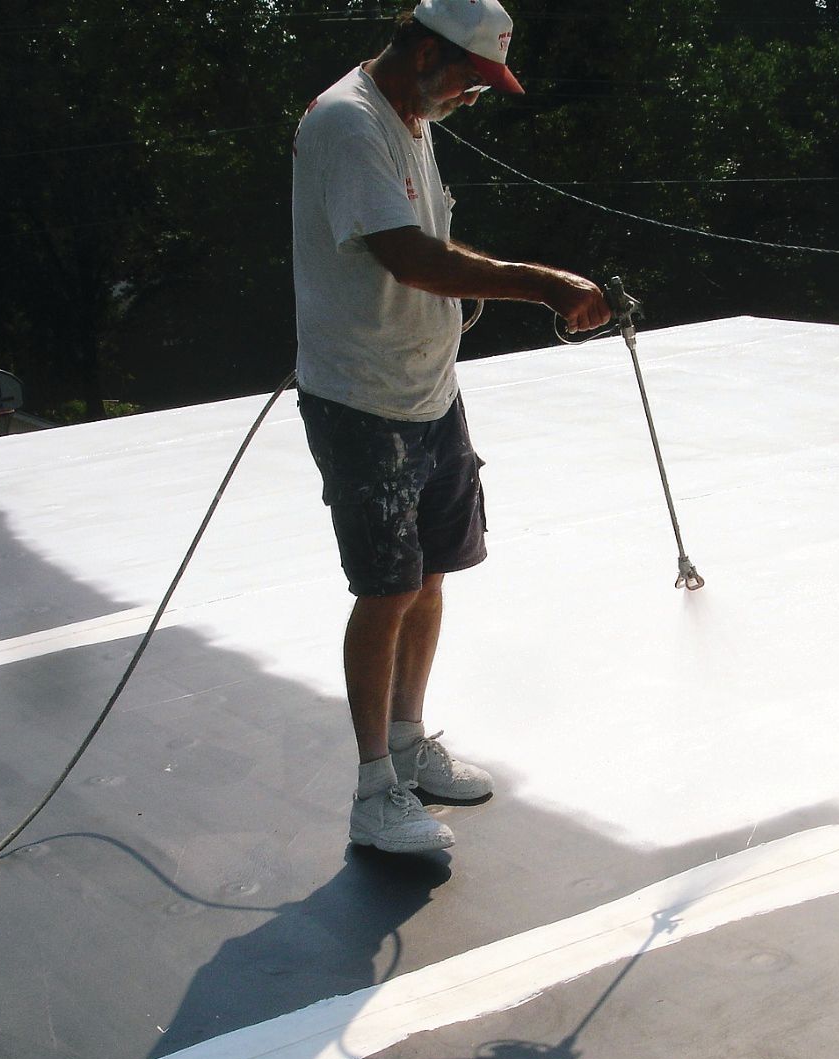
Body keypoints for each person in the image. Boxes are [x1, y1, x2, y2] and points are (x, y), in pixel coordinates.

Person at [292, 0, 611, 854]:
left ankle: (408, 742)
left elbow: (430, 235)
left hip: (429, 387)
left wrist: (475, 284)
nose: (475, 95)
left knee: (432, 575)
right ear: (428, 51)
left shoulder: (413, 119)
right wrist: (543, 284)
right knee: (387, 588)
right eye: (473, 76)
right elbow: (407, 256)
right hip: (363, 397)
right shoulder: (348, 122)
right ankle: (372, 793)